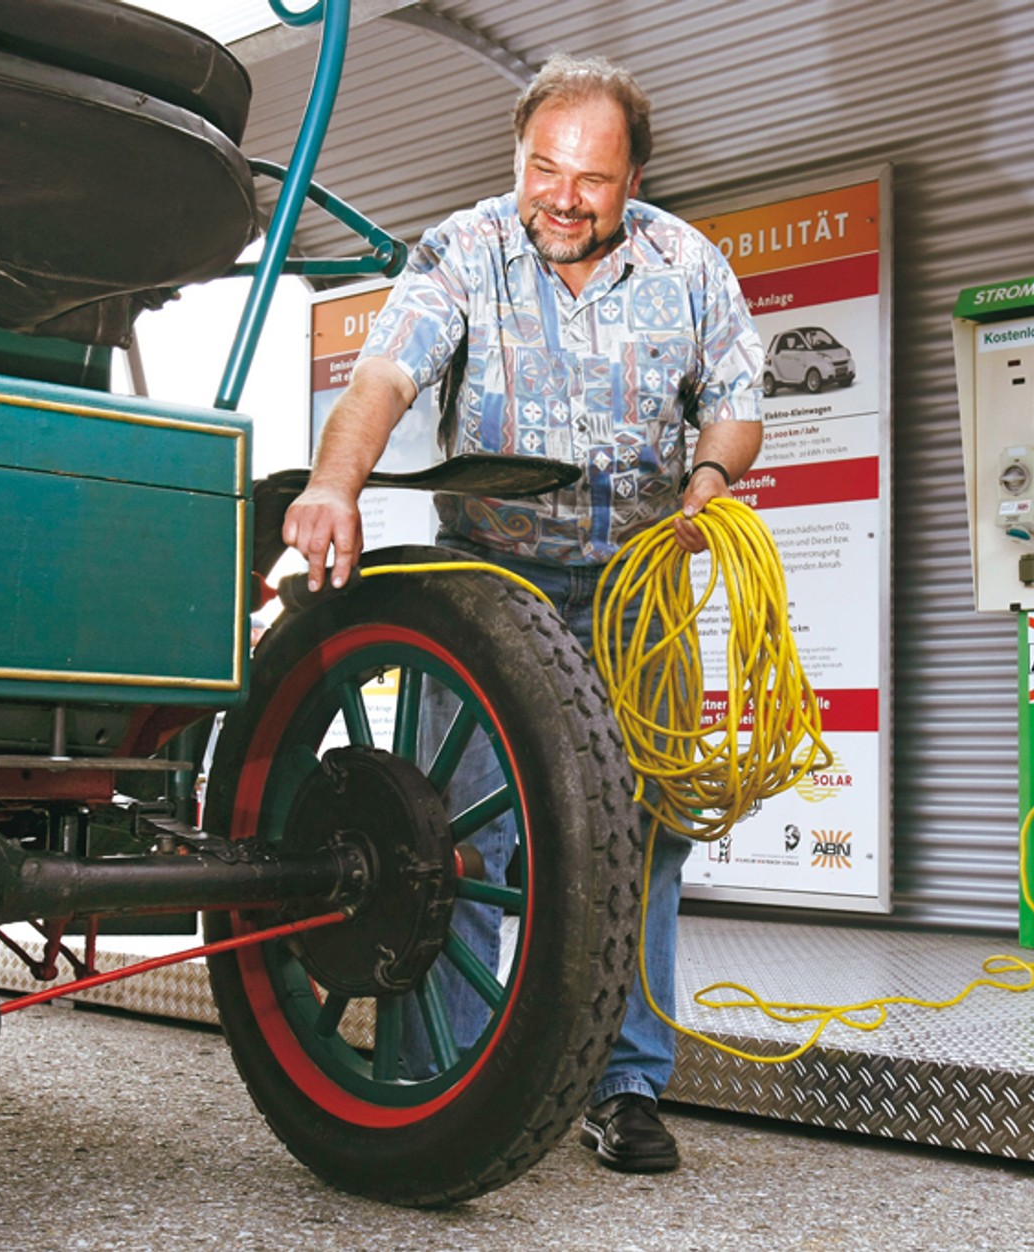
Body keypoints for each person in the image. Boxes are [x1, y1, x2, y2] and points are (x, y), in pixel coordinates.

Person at [282, 53, 764, 1175]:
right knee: (448, 833)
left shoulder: (687, 265)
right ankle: (434, 1069)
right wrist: (331, 485)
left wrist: (707, 486)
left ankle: (625, 1084)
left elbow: (736, 406)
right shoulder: (462, 252)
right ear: (518, 157)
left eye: (590, 178)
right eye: (543, 167)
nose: (562, 195)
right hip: (489, 588)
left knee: (643, 831)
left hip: (636, 587)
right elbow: (383, 383)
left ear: (632, 176)